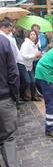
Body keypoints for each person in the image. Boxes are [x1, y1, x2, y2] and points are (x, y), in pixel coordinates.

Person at [0, 33, 20, 167]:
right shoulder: (3, 41)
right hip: (4, 99)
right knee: (8, 138)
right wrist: (14, 96)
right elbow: (14, 73)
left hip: (4, 97)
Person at [17, 30, 42, 101]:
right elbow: (24, 55)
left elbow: (34, 56)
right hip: (22, 64)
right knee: (27, 81)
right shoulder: (26, 43)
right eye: (31, 34)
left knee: (33, 80)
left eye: (34, 34)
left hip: (29, 64)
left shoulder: (35, 44)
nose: (33, 36)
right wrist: (35, 55)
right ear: (28, 36)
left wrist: (38, 56)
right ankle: (20, 94)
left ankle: (34, 96)